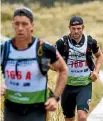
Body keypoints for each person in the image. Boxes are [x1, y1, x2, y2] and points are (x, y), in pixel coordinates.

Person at [0, 7, 68, 121]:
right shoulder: (4, 49)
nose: (20, 28)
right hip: (11, 109)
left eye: (24, 24)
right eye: (17, 23)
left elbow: (63, 70)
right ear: (13, 25)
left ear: (32, 25)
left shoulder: (44, 48)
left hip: (36, 109)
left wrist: (55, 97)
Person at [55, 16, 103, 121]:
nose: (76, 31)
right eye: (73, 28)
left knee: (82, 117)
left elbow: (100, 56)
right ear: (69, 28)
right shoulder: (61, 43)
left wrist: (96, 71)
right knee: (69, 119)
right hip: (67, 86)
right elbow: (51, 61)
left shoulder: (90, 42)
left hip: (84, 85)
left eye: (79, 28)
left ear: (83, 28)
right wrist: (59, 69)